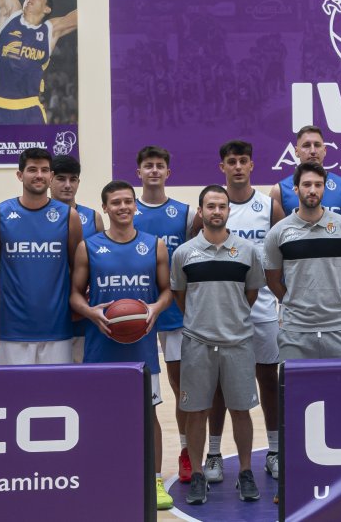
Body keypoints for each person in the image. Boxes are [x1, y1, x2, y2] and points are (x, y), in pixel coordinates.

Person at [69, 180, 174, 510]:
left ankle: (154, 480)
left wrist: (154, 309)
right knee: (99, 416)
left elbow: (167, 291)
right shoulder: (89, 247)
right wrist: (89, 311)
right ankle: (99, 475)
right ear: (105, 208)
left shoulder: (154, 245)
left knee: (149, 415)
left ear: (135, 206)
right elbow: (74, 294)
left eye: (128, 201)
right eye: (116, 203)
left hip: (141, 348)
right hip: (100, 348)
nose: (124, 207)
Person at [172, 185, 266, 506]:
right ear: (201, 211)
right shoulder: (184, 253)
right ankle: (198, 474)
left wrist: (229, 320)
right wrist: (202, 322)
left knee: (242, 410)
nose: (216, 211)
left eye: (221, 206)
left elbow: (250, 295)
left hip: (238, 343)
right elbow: (181, 297)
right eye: (210, 206)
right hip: (197, 344)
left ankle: (244, 472)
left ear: (228, 211)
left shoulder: (247, 251)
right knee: (196, 412)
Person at [214, 140, 282, 482]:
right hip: (221, 310)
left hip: (264, 306)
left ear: (252, 165)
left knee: (268, 380)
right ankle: (213, 453)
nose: (238, 166)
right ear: (222, 167)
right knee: (218, 385)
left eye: (243, 161)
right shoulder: (213, 206)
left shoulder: (268, 207)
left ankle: (274, 450)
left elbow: (285, 247)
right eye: (231, 161)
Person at [131, 145, 194, 481]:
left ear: (168, 173)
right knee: (142, 390)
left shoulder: (184, 214)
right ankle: (137, 456)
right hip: (135, 315)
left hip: (174, 313)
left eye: (159, 166)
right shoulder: (127, 209)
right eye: (148, 166)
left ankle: (186, 450)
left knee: (180, 386)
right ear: (138, 172)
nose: (154, 171)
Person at [0, 147, 81, 365]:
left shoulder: (69, 217)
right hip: (11, 331)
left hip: (58, 329)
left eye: (45, 170)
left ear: (51, 176)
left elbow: (79, 271)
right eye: (32, 170)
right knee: (12, 397)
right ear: (20, 175)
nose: (39, 175)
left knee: (56, 398)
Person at [264, 161, 341, 360]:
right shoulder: (278, 233)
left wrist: (338, 296)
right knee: (294, 391)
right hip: (295, 330)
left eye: (318, 185)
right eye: (307, 184)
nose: (312, 190)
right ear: (295, 188)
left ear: (324, 188)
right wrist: (293, 302)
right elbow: (272, 280)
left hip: (339, 327)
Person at [50, 154, 105, 363]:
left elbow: (102, 262)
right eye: (61, 178)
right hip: (50, 310)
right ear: (49, 179)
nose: (67, 185)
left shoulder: (93, 218)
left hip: (85, 312)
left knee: (83, 377)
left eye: (73, 179)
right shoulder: (37, 216)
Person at [269, 125, 341, 223]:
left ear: (325, 150)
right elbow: (276, 235)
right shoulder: (279, 190)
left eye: (317, 145)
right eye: (306, 145)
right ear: (296, 152)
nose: (313, 151)